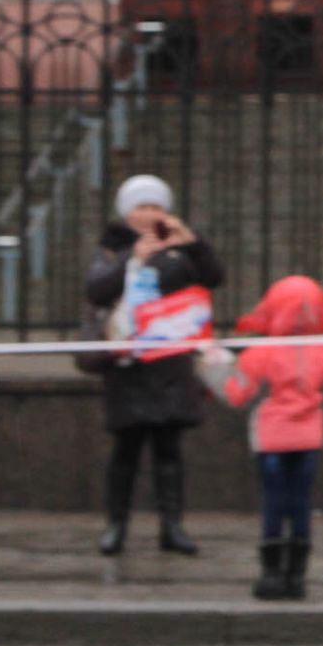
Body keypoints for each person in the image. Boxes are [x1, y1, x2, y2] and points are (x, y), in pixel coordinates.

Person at [78, 173, 225, 557]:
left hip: (169, 365)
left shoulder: (177, 250)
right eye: (141, 207)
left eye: (156, 207)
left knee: (169, 449)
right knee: (125, 450)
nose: (149, 214)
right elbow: (96, 289)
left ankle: (172, 526)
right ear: (128, 213)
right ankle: (116, 526)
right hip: (128, 364)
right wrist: (133, 257)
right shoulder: (112, 249)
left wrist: (191, 243)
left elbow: (213, 277)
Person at [199, 275, 323, 600]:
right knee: (300, 504)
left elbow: (236, 394)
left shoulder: (262, 353)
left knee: (274, 503)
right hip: (309, 440)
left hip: (271, 440)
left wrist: (211, 367)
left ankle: (271, 576)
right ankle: (297, 577)